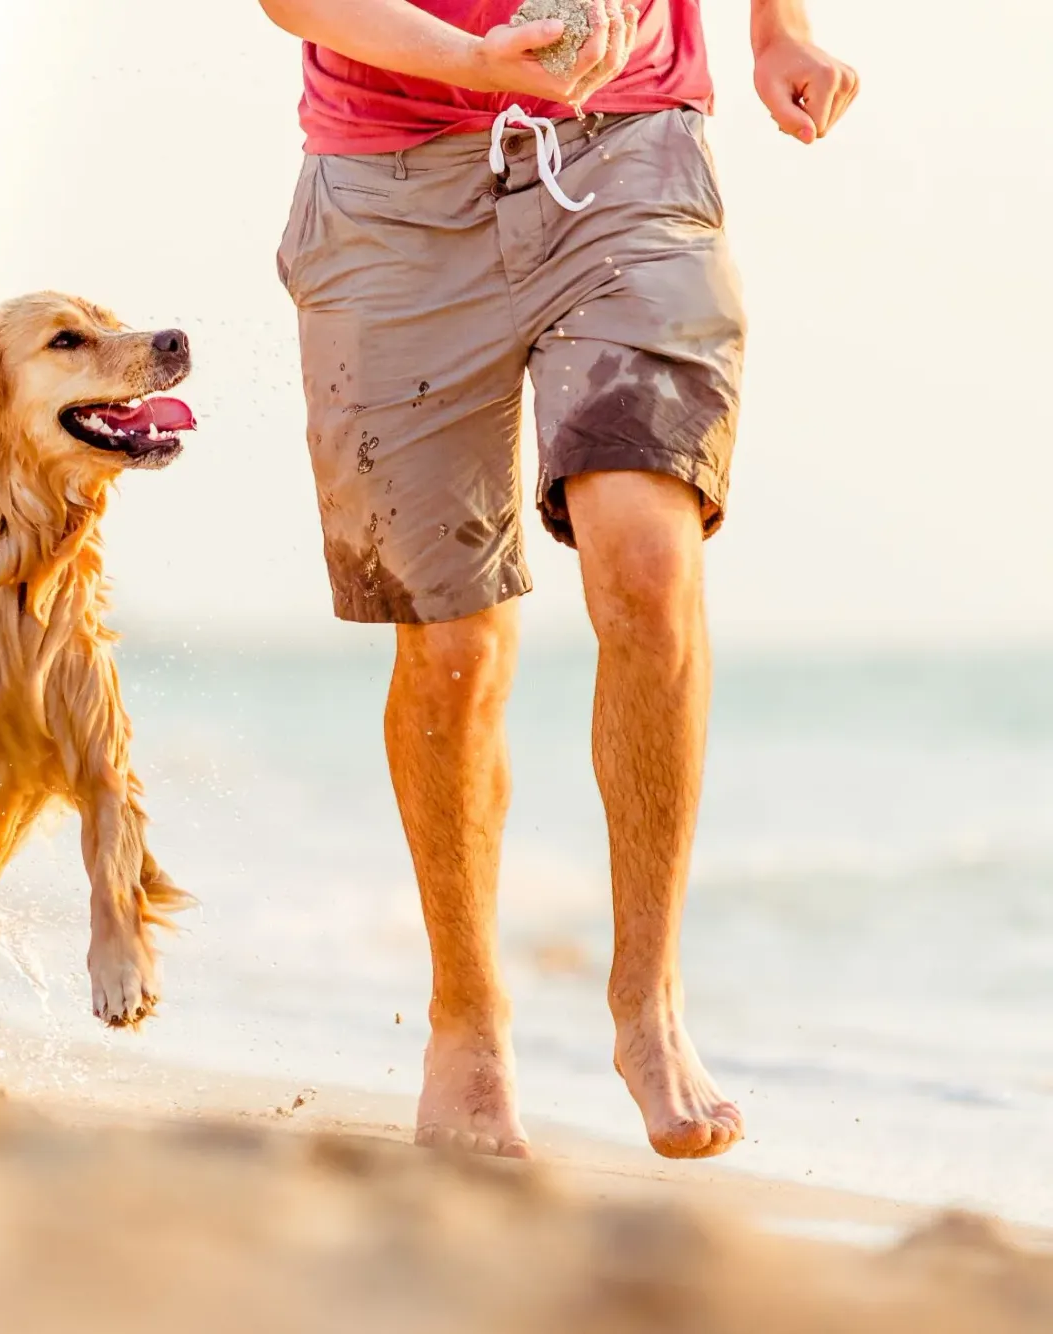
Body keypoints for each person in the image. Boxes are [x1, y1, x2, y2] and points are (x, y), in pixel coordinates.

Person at [256, 0, 857, 1159]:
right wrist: (471, 60)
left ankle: (647, 1004)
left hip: (627, 156)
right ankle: (466, 1021)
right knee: (452, 644)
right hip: (386, 191)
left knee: (644, 557)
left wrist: (776, 29)